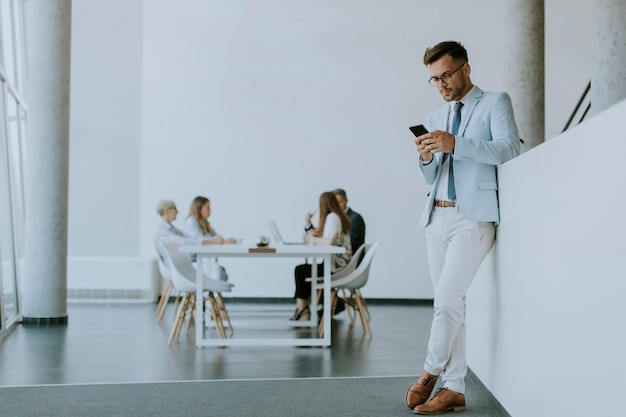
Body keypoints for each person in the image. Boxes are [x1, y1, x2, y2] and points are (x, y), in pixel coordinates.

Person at [405, 41, 520, 415]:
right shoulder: (436, 114)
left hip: (472, 217)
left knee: (445, 302)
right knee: (450, 306)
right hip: (435, 217)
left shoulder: (495, 102)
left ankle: (428, 372)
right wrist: (425, 157)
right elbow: (431, 176)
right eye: (434, 79)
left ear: (466, 69)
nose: (441, 84)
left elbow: (509, 150)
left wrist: (458, 143)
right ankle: (453, 388)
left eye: (447, 75)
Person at [291, 191, 353, 321]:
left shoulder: (332, 217)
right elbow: (323, 235)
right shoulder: (338, 217)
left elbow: (330, 241)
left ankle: (303, 310)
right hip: (341, 264)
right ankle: (304, 309)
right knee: (305, 271)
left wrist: (311, 239)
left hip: (336, 267)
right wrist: (309, 227)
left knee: (301, 271)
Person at [183, 195, 237, 281]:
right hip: (195, 260)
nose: (210, 210)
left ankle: (214, 291)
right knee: (218, 271)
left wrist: (225, 241)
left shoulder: (205, 223)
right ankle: (214, 291)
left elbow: (215, 238)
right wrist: (216, 241)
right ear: (199, 209)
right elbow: (199, 241)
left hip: (205, 260)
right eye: (207, 207)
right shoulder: (191, 221)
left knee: (220, 271)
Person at [305, 188, 366, 254]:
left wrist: (313, 240)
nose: (337, 205)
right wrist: (309, 224)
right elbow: (324, 235)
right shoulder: (336, 217)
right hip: (338, 257)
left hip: (346, 258)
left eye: (339, 202)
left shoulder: (353, 218)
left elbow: (336, 242)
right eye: (335, 202)